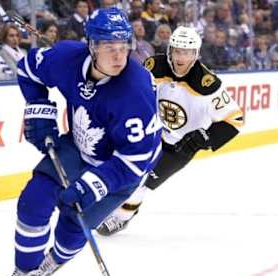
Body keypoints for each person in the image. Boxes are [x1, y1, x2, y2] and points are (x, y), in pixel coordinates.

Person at [0, 7, 162, 276]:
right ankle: (23, 275)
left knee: (72, 223)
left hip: (122, 169)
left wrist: (92, 185)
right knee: (34, 199)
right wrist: (39, 109)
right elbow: (27, 70)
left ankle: (54, 260)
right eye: (110, 48)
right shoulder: (66, 58)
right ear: (92, 46)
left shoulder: (136, 90)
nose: (119, 57)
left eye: (124, 48)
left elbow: (138, 158)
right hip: (78, 147)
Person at [97, 26, 244, 236]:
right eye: (176, 50)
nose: (180, 57)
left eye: (186, 52)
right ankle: (107, 204)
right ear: (170, 50)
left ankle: (122, 217)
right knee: (122, 167)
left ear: (196, 54)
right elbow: (132, 85)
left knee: (144, 180)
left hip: (180, 147)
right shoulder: (154, 65)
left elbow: (235, 119)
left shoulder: (208, 84)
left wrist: (203, 138)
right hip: (151, 134)